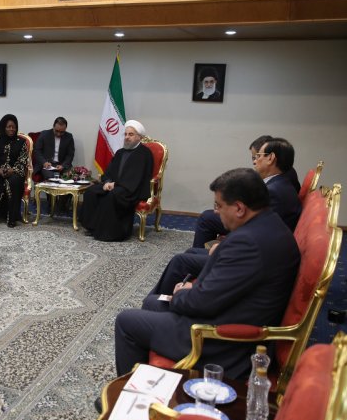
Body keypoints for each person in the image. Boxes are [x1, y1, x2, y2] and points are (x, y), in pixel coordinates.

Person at [115, 168, 300, 379]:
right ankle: (149, 378)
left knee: (126, 321)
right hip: (231, 312)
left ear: (239, 208)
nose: (215, 212)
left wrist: (182, 293)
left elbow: (201, 303)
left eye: (219, 206)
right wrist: (190, 291)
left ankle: (129, 391)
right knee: (152, 302)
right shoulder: (269, 224)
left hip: (221, 340)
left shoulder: (247, 243)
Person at [192, 135, 301, 247]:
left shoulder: (274, 191)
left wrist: (228, 240)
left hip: (261, 243)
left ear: (270, 158)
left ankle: (201, 254)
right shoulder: (281, 180)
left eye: (258, 156)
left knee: (206, 218)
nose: (255, 161)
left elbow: (258, 225)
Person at [79, 120, 153, 241]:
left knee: (112, 195)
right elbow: (110, 171)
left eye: (131, 134)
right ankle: (93, 227)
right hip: (116, 185)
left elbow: (136, 177)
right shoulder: (120, 152)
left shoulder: (144, 154)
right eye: (126, 134)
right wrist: (107, 182)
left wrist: (116, 184)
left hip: (132, 189)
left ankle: (111, 233)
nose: (127, 137)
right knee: (91, 192)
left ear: (139, 137)